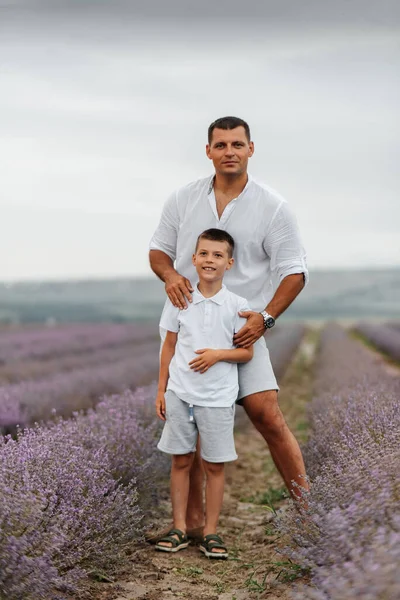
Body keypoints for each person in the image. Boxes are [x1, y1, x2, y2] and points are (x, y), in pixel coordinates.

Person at [149, 116, 309, 543]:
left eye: (237, 144)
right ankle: (192, 527)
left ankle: (310, 512)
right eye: (220, 145)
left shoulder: (272, 205)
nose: (229, 152)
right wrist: (169, 276)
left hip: (243, 333)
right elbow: (158, 252)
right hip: (193, 330)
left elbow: (294, 272)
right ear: (209, 151)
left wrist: (266, 318)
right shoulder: (183, 199)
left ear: (251, 149)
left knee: (268, 416)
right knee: (196, 426)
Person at [155, 228, 253, 558]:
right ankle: (180, 527)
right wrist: (162, 390)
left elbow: (246, 353)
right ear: (194, 259)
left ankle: (211, 532)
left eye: (218, 255)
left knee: (214, 466)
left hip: (217, 398)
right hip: (181, 394)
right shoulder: (179, 299)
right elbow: (168, 347)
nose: (210, 260)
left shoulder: (237, 306)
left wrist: (217, 354)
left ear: (229, 263)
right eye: (204, 254)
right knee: (181, 461)